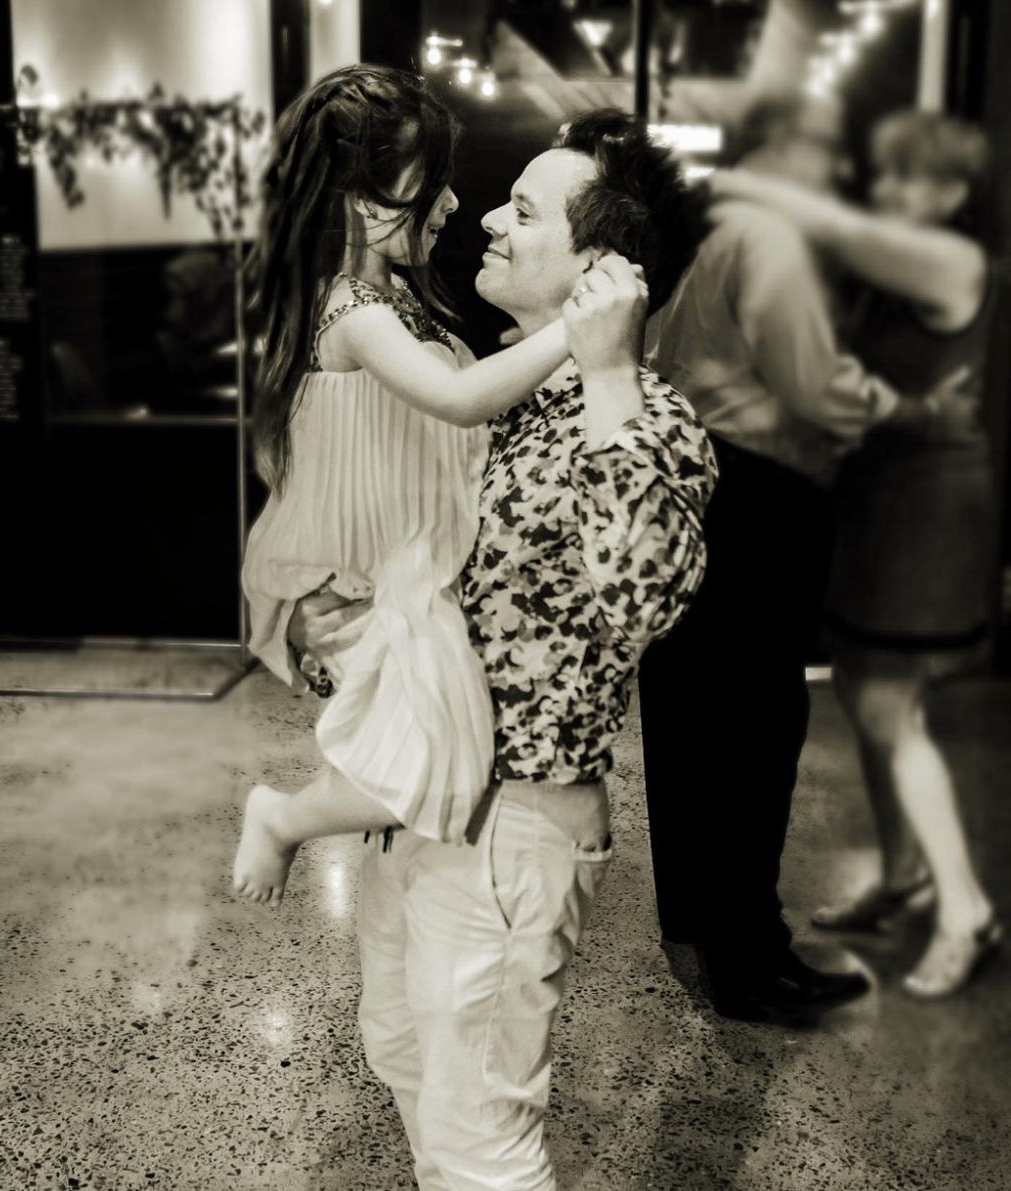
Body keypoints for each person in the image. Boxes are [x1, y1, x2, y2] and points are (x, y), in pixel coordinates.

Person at [286, 108, 716, 1191]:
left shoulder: (644, 416)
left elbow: (645, 597)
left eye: (522, 210)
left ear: (600, 271)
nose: (484, 217)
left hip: (510, 830)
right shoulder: (506, 399)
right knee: (402, 1055)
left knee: (481, 1148)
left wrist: (612, 371)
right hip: (422, 808)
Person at [638, 92, 975, 1022]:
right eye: (825, 149)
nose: (838, 171)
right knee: (756, 728)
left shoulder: (702, 230)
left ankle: (700, 931)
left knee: (693, 719)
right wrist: (917, 413)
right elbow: (817, 387)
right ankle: (754, 955)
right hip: (763, 493)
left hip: (696, 481)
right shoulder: (772, 239)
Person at [232, 65, 599, 906]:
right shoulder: (354, 312)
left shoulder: (398, 299)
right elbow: (463, 402)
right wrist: (585, 329)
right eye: (432, 187)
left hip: (405, 569)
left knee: (428, 757)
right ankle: (280, 816)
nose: (453, 207)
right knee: (434, 762)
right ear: (368, 203)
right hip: (379, 576)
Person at [711, 108, 1002, 998]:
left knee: (884, 705)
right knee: (872, 689)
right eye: (885, 174)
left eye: (911, 178)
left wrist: (737, 181)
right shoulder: (889, 275)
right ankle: (905, 875)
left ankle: (965, 909)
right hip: (877, 500)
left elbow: (836, 226)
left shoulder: (953, 262)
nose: (889, 193)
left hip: (930, 507)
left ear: (955, 193)